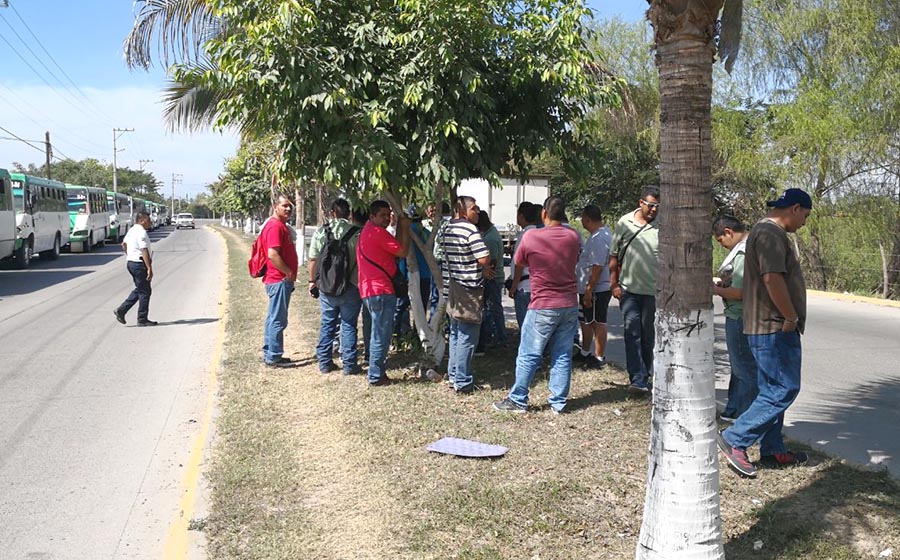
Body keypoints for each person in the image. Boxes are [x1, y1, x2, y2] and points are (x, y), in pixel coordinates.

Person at [717, 188, 812, 479]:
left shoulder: (762, 232)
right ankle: (736, 438)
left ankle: (772, 449)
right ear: (794, 208)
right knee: (784, 389)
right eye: (805, 216)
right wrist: (789, 316)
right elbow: (772, 279)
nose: (804, 223)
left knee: (773, 388)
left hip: (768, 324)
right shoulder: (771, 234)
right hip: (773, 326)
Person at [493, 197, 581, 414]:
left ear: (544, 213)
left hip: (542, 303)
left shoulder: (532, 237)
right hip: (568, 303)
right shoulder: (573, 236)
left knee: (529, 352)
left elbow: (520, 261)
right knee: (562, 354)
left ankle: (518, 399)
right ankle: (558, 402)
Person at [608, 185, 660, 394]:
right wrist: (614, 284)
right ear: (641, 203)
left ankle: (645, 374)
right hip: (628, 290)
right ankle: (637, 378)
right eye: (650, 205)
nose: (654, 210)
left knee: (648, 335)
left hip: (653, 292)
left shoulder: (662, 225)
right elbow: (614, 255)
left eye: (657, 206)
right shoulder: (625, 222)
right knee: (632, 333)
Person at [442, 196, 493, 393]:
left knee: (455, 333)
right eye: (474, 209)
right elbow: (483, 258)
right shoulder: (470, 230)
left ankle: (454, 375)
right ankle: (463, 381)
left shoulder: (446, 228)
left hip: (451, 287)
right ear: (462, 211)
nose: (478, 212)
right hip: (468, 289)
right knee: (467, 335)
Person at [357, 200, 410, 386]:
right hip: (381, 290)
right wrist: (404, 227)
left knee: (376, 332)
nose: (387, 219)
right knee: (381, 334)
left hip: (369, 290)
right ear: (372, 216)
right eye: (382, 215)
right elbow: (403, 251)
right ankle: (376, 375)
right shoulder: (378, 233)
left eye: (388, 215)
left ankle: (375, 369)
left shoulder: (368, 230)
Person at [308, 198, 363, 375]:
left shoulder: (321, 232)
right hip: (351, 286)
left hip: (326, 287)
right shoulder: (357, 233)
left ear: (332, 212)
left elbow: (313, 259)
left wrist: (312, 281)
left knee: (327, 323)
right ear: (348, 214)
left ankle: (324, 362)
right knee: (348, 325)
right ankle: (349, 365)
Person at [712, 215, 759, 422]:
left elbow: (740, 292)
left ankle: (746, 417)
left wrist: (714, 289)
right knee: (738, 366)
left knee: (744, 370)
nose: (721, 245)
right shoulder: (749, 246)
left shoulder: (742, 252)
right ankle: (733, 409)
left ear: (728, 232)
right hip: (741, 314)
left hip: (739, 315)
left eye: (720, 240)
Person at [259, 194, 298, 367]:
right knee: (278, 319)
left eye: (290, 206)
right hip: (279, 279)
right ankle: (274, 355)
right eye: (284, 206)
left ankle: (270, 352)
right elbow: (272, 254)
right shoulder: (275, 226)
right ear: (276, 207)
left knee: (273, 317)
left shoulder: (280, 225)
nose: (288, 209)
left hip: (278, 279)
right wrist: (288, 272)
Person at [575, 204, 612, 369]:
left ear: (587, 218)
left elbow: (597, 267)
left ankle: (598, 357)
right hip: (592, 288)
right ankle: (586, 352)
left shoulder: (599, 238)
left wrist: (589, 290)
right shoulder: (600, 234)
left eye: (582, 218)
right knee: (588, 321)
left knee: (598, 322)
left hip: (597, 289)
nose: (581, 221)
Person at [114, 212, 157, 326]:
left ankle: (122, 310)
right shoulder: (141, 232)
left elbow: (123, 244)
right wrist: (149, 268)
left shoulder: (132, 230)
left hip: (131, 263)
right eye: (148, 220)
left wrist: (129, 255)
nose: (150, 223)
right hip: (139, 264)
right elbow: (144, 250)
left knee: (140, 288)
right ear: (142, 220)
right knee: (145, 292)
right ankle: (141, 319)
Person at [475, 210, 508, 354]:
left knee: (493, 309)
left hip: (493, 278)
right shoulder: (490, 233)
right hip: (492, 278)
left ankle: (500, 337)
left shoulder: (490, 239)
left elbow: (491, 264)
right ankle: (495, 336)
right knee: (492, 309)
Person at [507, 202, 541, 329]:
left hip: (524, 287)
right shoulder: (539, 233)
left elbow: (520, 263)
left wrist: (514, 285)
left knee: (525, 327)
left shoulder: (525, 235)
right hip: (537, 285)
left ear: (521, 216)